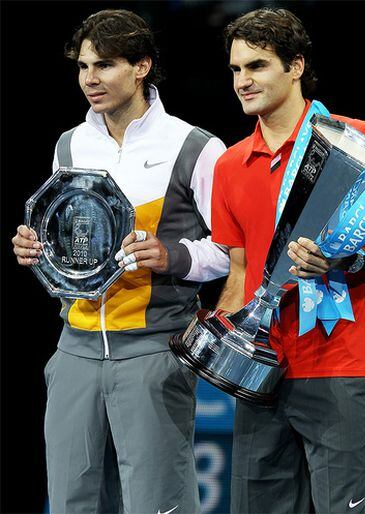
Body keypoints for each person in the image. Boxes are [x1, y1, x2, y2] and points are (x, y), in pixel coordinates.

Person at [11, 9, 228, 514]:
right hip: (74, 351)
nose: (90, 79)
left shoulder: (195, 146)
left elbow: (230, 251)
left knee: (158, 504)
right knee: (69, 502)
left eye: (105, 65)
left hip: (153, 351)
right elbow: (67, 242)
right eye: (84, 66)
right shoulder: (70, 144)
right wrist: (37, 249)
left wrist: (170, 255)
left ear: (142, 66)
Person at [211, 8, 365, 514]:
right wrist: (219, 341)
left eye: (256, 66)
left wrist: (350, 257)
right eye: (236, 69)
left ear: (296, 65)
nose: (243, 81)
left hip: (338, 364)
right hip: (259, 372)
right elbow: (239, 272)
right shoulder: (230, 164)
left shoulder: (356, 142)